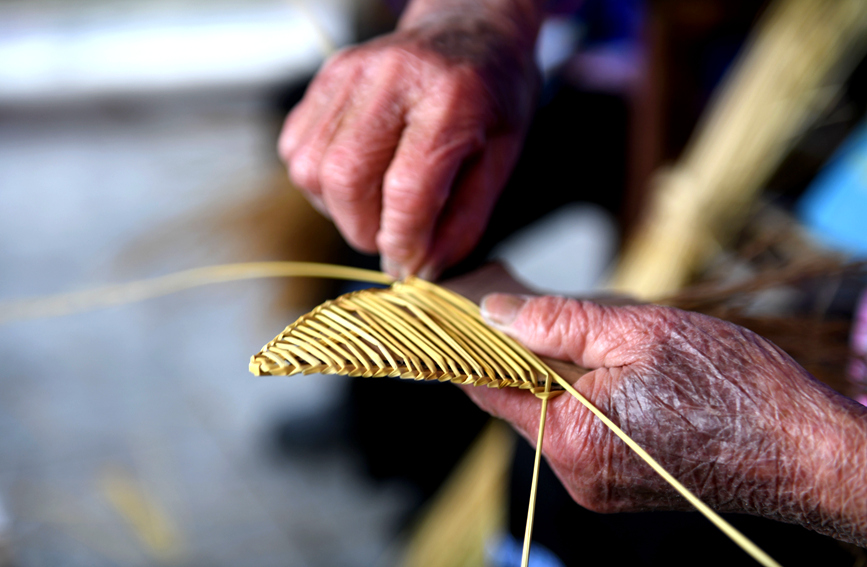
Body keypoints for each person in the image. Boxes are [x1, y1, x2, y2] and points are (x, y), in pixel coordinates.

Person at [279, 0, 867, 550]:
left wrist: (816, 462)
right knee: (400, 207)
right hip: (625, 71)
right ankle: (390, 451)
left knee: (593, 484)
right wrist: (478, 13)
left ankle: (426, 486)